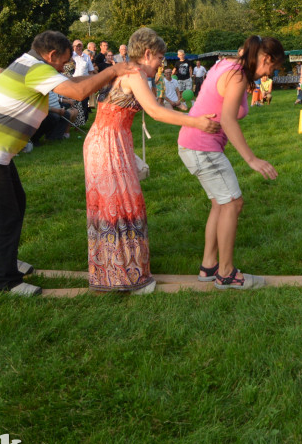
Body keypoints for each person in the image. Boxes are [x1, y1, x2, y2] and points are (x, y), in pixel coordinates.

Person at [0, 30, 133, 295]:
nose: (65, 67)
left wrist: (111, 71)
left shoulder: (30, 64)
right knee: (3, 217)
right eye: (63, 61)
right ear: (51, 55)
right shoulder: (35, 69)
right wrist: (113, 71)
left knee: (16, 204)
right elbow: (78, 91)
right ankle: (6, 281)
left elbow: (75, 80)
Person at [84, 27, 219, 294]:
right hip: (108, 143)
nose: (161, 64)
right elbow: (156, 112)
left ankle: (115, 272)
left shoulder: (128, 73)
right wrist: (196, 123)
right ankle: (124, 277)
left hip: (111, 141)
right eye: (159, 58)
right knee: (118, 206)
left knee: (118, 205)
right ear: (147, 54)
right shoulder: (133, 74)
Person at [178, 35, 285, 290]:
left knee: (220, 203)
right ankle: (225, 273)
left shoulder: (228, 64)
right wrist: (251, 159)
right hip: (201, 147)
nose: (270, 74)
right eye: (273, 68)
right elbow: (227, 120)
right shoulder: (238, 75)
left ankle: (209, 267)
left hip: (194, 144)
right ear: (266, 58)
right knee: (233, 203)